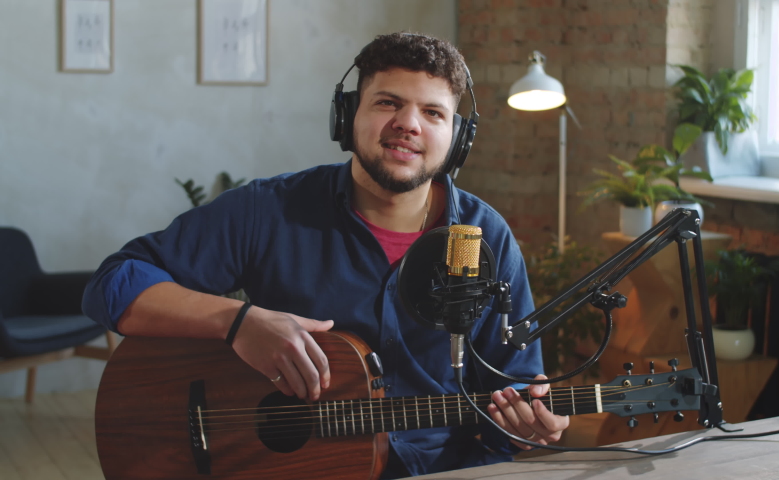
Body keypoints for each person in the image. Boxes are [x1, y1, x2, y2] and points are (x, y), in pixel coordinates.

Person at [82, 32, 569, 478]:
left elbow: (516, 393)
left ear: (458, 138)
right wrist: (239, 322)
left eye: (433, 113)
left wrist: (528, 428)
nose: (408, 125)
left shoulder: (484, 238)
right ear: (348, 114)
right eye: (388, 103)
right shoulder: (270, 211)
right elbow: (113, 285)